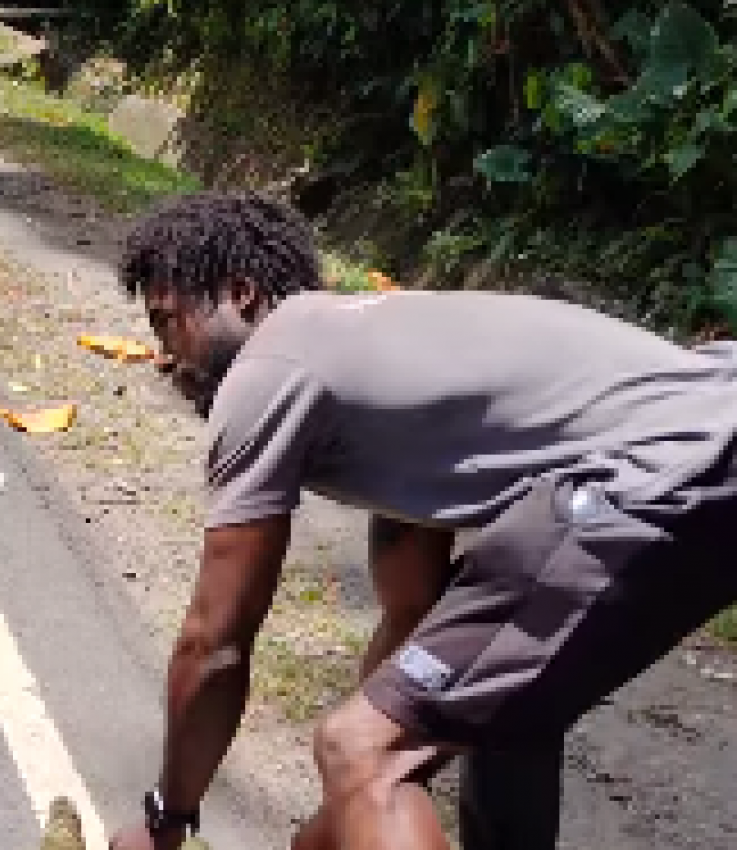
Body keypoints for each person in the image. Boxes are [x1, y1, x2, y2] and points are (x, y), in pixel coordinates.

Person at [105, 191, 737, 850]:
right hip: (707, 444)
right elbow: (414, 617)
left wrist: (167, 819)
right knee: (500, 713)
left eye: (167, 322)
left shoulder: (267, 370)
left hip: (658, 466)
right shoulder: (382, 350)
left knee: (358, 752)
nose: (162, 356)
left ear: (239, 294)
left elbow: (215, 642)